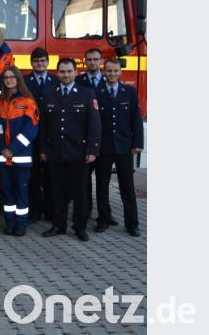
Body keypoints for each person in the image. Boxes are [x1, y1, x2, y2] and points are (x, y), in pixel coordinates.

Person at [40, 58, 101, 242]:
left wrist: (93, 150)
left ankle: (79, 227)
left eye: (69, 71)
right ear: (57, 73)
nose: (65, 75)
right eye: (62, 72)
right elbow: (43, 125)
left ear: (75, 72)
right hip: (56, 152)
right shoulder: (49, 93)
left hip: (79, 153)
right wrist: (43, 148)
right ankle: (58, 225)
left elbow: (95, 125)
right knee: (57, 191)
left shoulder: (86, 93)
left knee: (80, 192)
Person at [94, 58, 143, 237]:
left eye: (115, 71)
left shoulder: (129, 92)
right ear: (103, 72)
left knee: (127, 187)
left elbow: (136, 119)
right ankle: (103, 219)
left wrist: (138, 143)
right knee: (102, 185)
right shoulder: (96, 92)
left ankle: (132, 223)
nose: (112, 74)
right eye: (109, 71)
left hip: (124, 147)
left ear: (120, 72)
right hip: (103, 147)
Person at [0, 66, 39, 236]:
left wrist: (12, 149)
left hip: (20, 157)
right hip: (2, 157)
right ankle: (10, 223)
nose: (9, 80)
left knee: (21, 192)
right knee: (7, 192)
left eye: (12, 77)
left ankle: (21, 225)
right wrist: (2, 149)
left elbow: (31, 130)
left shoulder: (28, 102)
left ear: (18, 79)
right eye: (6, 77)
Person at [24, 47, 59, 222]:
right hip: (31, 134)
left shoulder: (56, 80)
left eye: (43, 61)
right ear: (31, 63)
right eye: (36, 61)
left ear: (48, 62)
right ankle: (35, 211)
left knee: (51, 175)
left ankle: (51, 211)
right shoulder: (24, 81)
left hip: (51, 134)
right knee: (33, 175)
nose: (40, 64)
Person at [75, 48, 105, 219]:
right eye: (89, 59)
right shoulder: (78, 81)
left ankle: (104, 216)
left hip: (105, 138)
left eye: (96, 59)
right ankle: (85, 213)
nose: (92, 62)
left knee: (103, 181)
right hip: (84, 139)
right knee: (84, 180)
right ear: (85, 61)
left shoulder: (109, 79)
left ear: (101, 61)